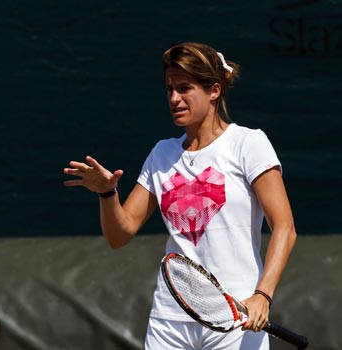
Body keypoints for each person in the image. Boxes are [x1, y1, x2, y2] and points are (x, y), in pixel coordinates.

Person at [63, 42, 297, 349]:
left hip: (237, 317)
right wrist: (107, 194)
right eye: (169, 89)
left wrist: (263, 295)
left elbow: (285, 228)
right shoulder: (162, 153)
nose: (174, 99)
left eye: (185, 88)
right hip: (169, 319)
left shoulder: (248, 144)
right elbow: (119, 235)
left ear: (214, 90)